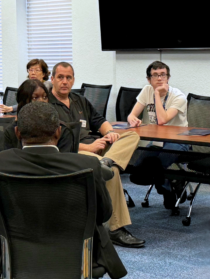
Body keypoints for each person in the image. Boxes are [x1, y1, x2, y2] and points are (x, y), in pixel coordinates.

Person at [0, 102, 127, 279]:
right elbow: (104, 214)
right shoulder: (87, 165)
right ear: (59, 132)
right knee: (83, 234)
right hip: (77, 262)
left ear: (17, 132)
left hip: (17, 261)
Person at [48, 62, 144, 248]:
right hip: (75, 152)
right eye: (60, 77)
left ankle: (109, 159)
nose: (64, 82)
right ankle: (116, 229)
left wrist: (109, 133)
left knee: (131, 135)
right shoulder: (48, 106)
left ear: (73, 80)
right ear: (52, 79)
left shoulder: (79, 100)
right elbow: (57, 145)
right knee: (113, 173)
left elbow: (99, 120)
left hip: (99, 147)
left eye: (68, 78)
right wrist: (89, 148)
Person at [127, 61, 189, 208]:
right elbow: (131, 115)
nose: (159, 78)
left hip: (179, 140)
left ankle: (167, 189)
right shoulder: (146, 90)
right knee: (137, 173)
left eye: (163, 75)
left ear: (168, 78)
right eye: (155, 75)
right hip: (157, 141)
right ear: (149, 79)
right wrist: (133, 120)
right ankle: (171, 182)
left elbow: (162, 120)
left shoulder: (178, 96)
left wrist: (156, 94)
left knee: (157, 166)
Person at [2, 79, 76, 153]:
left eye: (45, 97)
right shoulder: (11, 131)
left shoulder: (62, 130)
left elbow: (65, 161)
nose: (42, 101)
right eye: (35, 98)